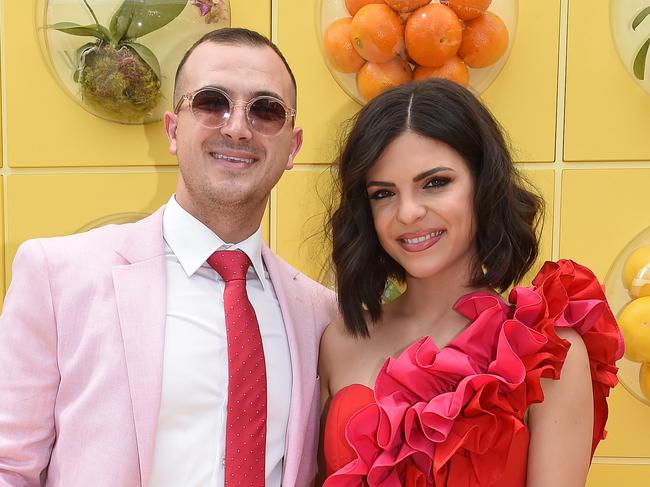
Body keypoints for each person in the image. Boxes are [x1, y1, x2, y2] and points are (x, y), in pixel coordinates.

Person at [0, 28, 336, 487]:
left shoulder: (319, 313)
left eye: (266, 110)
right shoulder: (57, 277)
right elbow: (9, 466)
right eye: (211, 102)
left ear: (292, 147)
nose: (237, 127)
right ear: (173, 130)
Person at [318, 79, 623, 486]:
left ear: (484, 186)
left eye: (435, 183)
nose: (408, 212)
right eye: (383, 194)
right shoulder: (340, 340)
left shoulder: (549, 355)